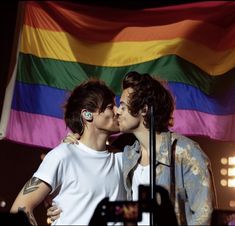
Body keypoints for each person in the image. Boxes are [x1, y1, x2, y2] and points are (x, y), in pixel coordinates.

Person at [48, 71, 216, 225]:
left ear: (143, 109)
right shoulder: (127, 155)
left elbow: (205, 215)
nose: (117, 112)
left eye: (123, 106)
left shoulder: (184, 152)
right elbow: (91, 170)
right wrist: (58, 200)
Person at [10, 80, 126, 225]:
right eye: (110, 106)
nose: (118, 110)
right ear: (88, 114)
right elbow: (21, 207)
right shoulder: (63, 156)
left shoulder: (123, 159)